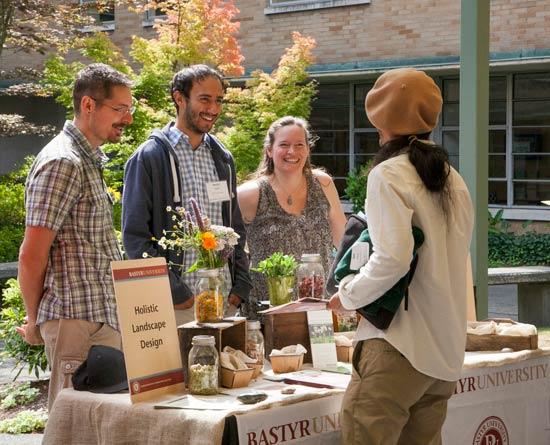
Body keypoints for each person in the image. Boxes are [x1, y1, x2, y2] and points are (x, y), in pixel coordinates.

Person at [327, 68, 474, 444]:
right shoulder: (452, 177)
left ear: (380, 120)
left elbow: (393, 259)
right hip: (444, 351)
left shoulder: (388, 174)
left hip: (397, 346)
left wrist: (347, 296)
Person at [17, 63, 133, 410]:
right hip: (77, 326)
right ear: (88, 105)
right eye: (120, 109)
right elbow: (32, 254)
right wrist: (35, 320)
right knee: (76, 431)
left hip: (96, 322)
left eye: (129, 109)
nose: (127, 118)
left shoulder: (86, 159)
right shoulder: (63, 162)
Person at [122, 64, 252, 325]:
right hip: (175, 306)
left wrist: (241, 286)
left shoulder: (223, 158)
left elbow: (235, 227)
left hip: (223, 302)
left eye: (218, 101)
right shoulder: (150, 157)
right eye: (204, 99)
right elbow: (134, 239)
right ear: (179, 98)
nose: (213, 109)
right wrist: (174, 291)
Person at [237, 116, 346, 318]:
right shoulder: (250, 194)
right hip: (267, 310)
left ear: (307, 149)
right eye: (284, 145)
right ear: (269, 150)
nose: (292, 152)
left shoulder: (323, 184)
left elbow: (343, 242)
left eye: (299, 145)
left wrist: (349, 286)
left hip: (319, 307)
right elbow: (230, 250)